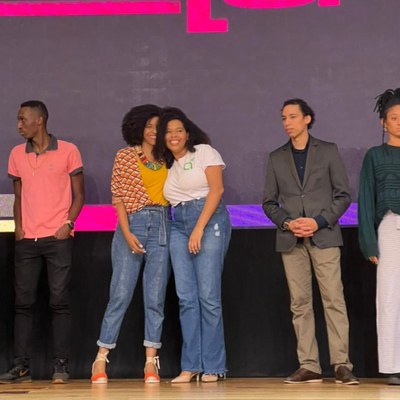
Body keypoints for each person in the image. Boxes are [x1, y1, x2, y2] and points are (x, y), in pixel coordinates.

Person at [263, 98, 359, 385]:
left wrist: (318, 221)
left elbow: (343, 196)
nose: (287, 122)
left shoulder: (328, 151)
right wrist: (287, 222)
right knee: (300, 304)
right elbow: (268, 202)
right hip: (290, 239)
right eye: (283, 118)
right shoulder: (276, 157)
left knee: (333, 300)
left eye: (292, 116)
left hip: (324, 236)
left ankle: (341, 364)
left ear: (307, 118)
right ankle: (309, 365)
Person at [0, 100, 84, 384]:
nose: (18, 125)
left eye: (23, 119)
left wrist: (68, 224)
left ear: (40, 120)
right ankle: (21, 366)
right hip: (27, 240)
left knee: (59, 302)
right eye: (18, 119)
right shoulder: (16, 154)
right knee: (23, 304)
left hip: (57, 239)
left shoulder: (69, 150)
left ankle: (61, 365)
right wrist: (20, 228)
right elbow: (19, 196)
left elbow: (79, 195)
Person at [90, 104, 170, 384]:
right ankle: (101, 358)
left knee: (155, 298)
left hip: (162, 225)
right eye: (148, 126)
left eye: (158, 127)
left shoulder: (168, 157)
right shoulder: (125, 156)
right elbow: (119, 199)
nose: (153, 131)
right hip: (132, 225)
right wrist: (126, 232)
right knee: (120, 294)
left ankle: (151, 361)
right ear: (137, 128)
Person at [154, 107, 231, 383]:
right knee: (186, 298)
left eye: (178, 131)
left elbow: (217, 190)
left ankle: (214, 365)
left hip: (208, 221)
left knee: (208, 296)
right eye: (168, 132)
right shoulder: (168, 164)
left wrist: (198, 228)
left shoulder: (204, 152)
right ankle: (191, 365)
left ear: (187, 134)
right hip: (178, 224)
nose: (173, 136)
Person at [358, 88, 400, 385]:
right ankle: (392, 365)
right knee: (389, 298)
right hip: (390, 227)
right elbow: (366, 200)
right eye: (394, 118)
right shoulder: (375, 155)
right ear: (383, 123)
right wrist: (368, 242)